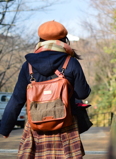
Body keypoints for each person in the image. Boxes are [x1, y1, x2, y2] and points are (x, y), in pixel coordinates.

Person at [0, 20, 91, 159]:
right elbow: (83, 93)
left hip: (36, 126)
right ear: (64, 40)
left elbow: (17, 99)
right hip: (65, 125)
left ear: (40, 40)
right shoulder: (71, 62)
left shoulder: (28, 65)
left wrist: (5, 128)